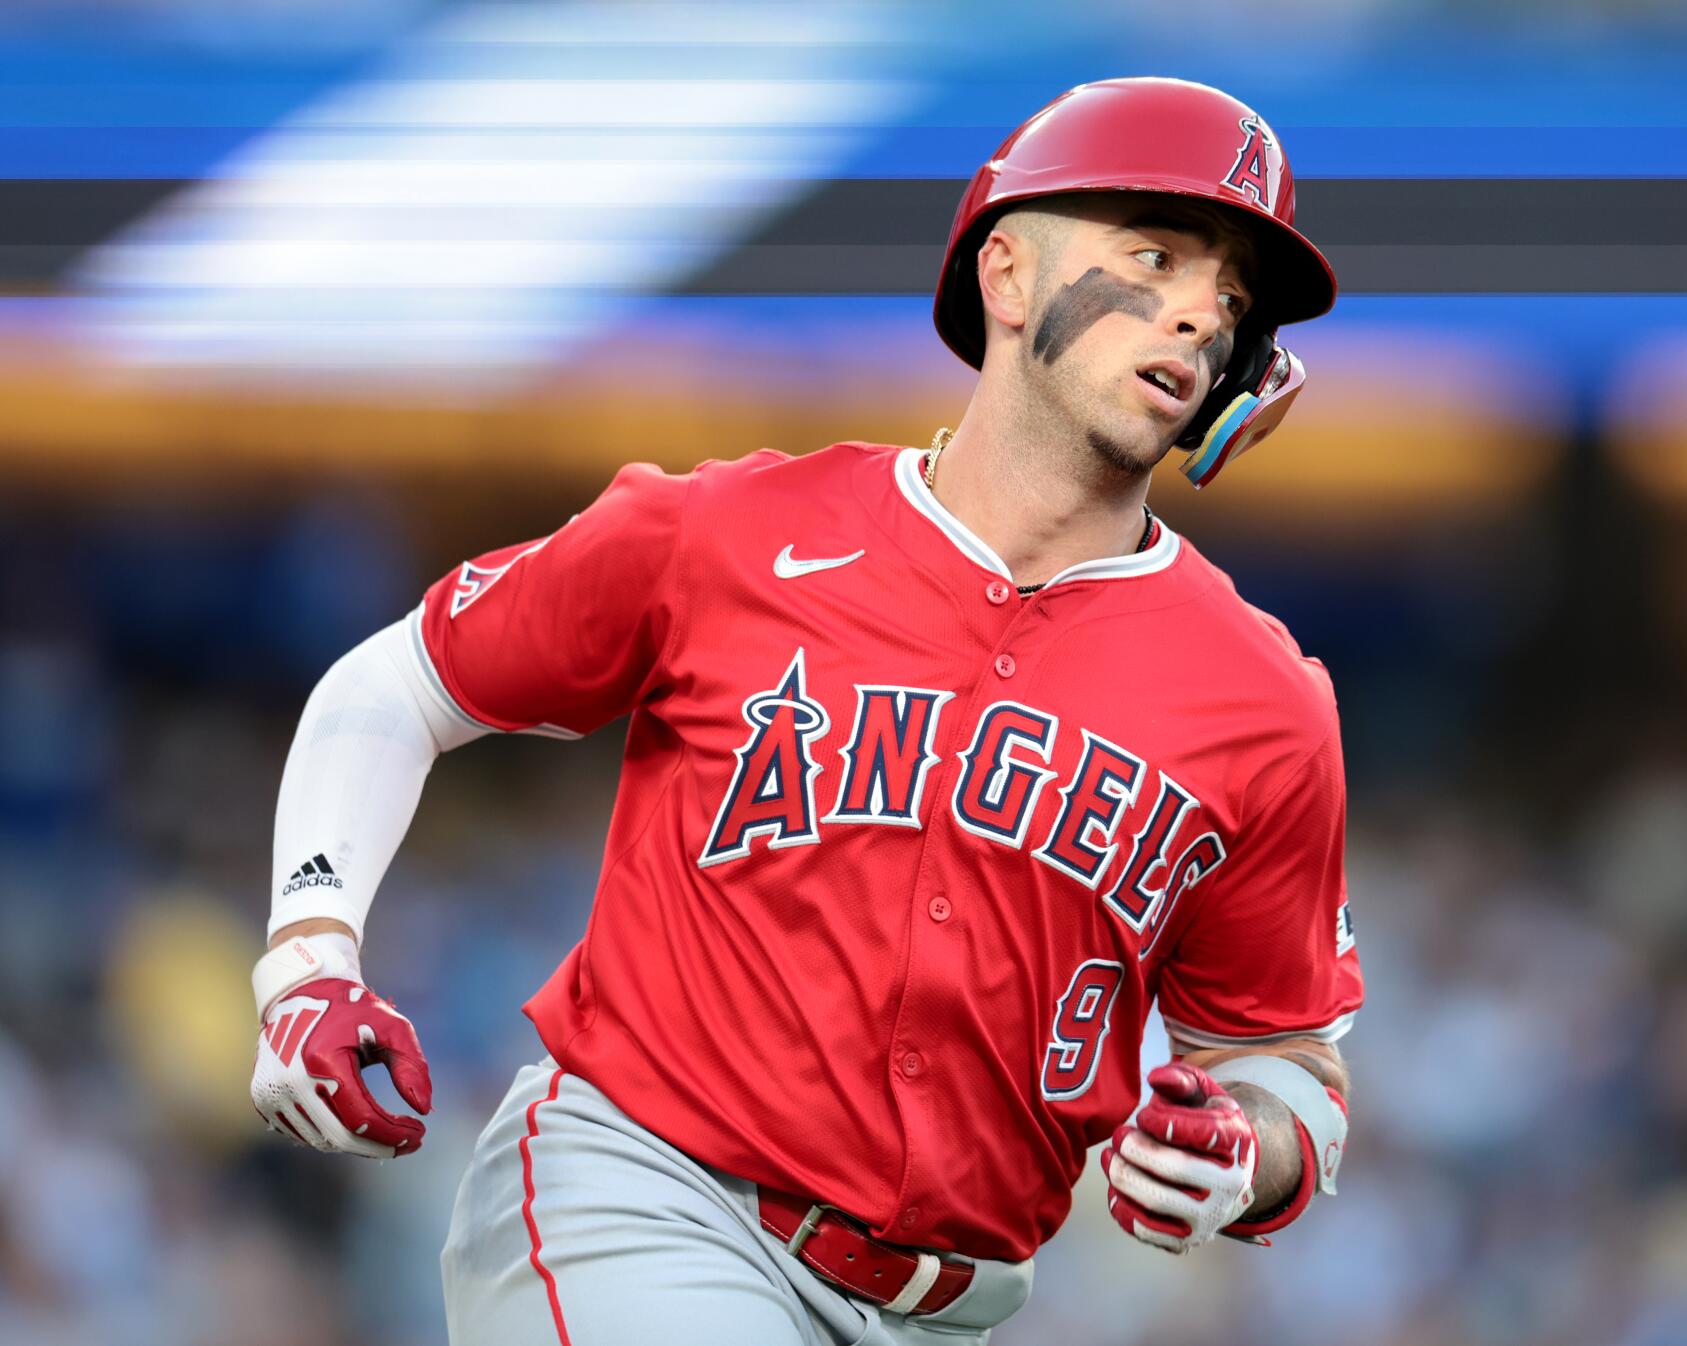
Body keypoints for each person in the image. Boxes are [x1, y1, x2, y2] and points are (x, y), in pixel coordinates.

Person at [247, 76, 1363, 1346]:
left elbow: (1286, 1060)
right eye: (1151, 254)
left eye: (1228, 295)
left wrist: (1245, 1151)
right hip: (642, 1196)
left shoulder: (1265, 700)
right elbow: (398, 683)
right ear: (1004, 275)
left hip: (951, 1307)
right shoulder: (730, 532)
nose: (1193, 311)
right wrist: (306, 958)